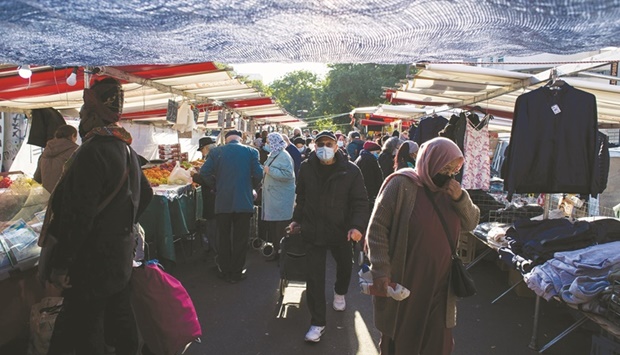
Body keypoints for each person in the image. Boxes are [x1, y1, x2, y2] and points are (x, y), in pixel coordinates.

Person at [46, 77, 154, 355]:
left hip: (91, 263)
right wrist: (120, 226)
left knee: (77, 331)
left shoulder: (92, 151)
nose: (80, 120)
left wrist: (60, 265)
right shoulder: (125, 149)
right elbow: (147, 195)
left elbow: (77, 217)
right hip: (118, 257)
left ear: (93, 115)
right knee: (119, 319)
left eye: (82, 114)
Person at [366, 137, 480, 355]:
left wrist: (461, 199)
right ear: (431, 161)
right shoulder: (402, 185)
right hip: (406, 279)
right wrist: (381, 270)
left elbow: (471, 222)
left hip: (441, 283)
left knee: (437, 341)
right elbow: (377, 228)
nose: (449, 174)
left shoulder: (452, 191)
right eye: (445, 167)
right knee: (402, 335)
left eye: (454, 169)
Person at [288, 130, 369, 343]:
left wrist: (357, 226)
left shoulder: (351, 170)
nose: (325, 147)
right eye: (320, 143)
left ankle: (340, 291)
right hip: (312, 230)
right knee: (314, 278)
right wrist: (297, 220)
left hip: (341, 231)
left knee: (344, 265)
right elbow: (302, 197)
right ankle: (317, 322)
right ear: (315, 146)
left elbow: (360, 201)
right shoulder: (306, 168)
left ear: (336, 146)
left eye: (329, 143)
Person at [199, 129, 263, 283]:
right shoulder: (251, 152)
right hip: (244, 201)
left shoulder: (217, 152)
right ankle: (236, 272)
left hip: (223, 201)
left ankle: (224, 269)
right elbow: (259, 174)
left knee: (224, 237)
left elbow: (204, 173)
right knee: (241, 238)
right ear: (240, 139)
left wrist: (216, 186)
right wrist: (251, 187)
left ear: (226, 139)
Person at [261, 132, 296, 260]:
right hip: (275, 196)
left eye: (269, 142)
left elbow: (288, 175)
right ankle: (278, 251)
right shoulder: (275, 154)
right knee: (276, 226)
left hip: (280, 197)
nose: (267, 145)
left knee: (280, 227)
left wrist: (269, 171)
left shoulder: (283, 156)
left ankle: (282, 253)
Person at [33, 124, 79, 193]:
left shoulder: (45, 152)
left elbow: (37, 178)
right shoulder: (76, 151)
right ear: (72, 136)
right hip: (67, 197)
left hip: (47, 198)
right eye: (76, 138)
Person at [192, 136, 218, 253]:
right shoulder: (217, 157)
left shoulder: (212, 159)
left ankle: (214, 249)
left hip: (212, 197)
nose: (202, 152)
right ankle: (215, 248)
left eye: (202, 149)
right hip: (216, 196)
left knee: (212, 225)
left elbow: (207, 179)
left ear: (206, 148)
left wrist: (195, 175)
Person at [354, 140, 383, 207]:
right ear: (372, 151)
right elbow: (368, 179)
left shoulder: (363, 158)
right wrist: (372, 195)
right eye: (377, 152)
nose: (378, 155)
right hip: (368, 196)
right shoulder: (368, 160)